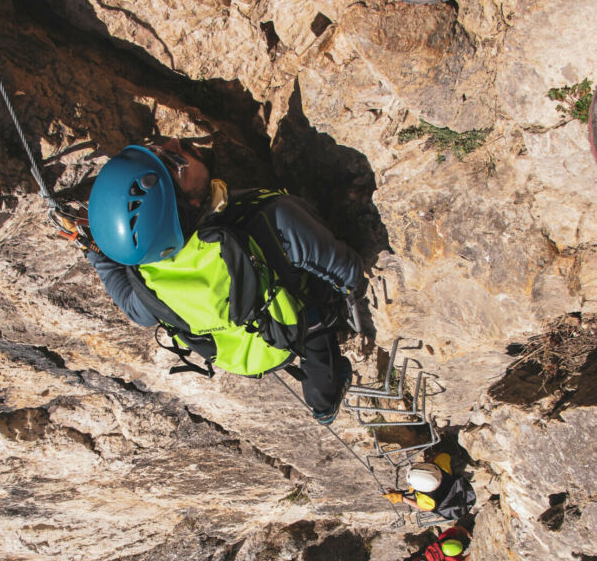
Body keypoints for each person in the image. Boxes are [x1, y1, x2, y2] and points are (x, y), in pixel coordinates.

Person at [82, 138, 364, 424]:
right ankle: (324, 404)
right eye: (173, 161)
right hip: (292, 326)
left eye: (158, 147)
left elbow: (135, 311)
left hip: (237, 352)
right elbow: (349, 275)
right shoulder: (276, 219)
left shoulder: (150, 280)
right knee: (316, 322)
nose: (176, 142)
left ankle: (324, 409)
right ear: (187, 204)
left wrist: (93, 252)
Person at [382, 451, 476, 520]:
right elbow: (443, 454)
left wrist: (402, 498)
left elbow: (422, 507)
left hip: (455, 500)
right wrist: (402, 498)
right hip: (460, 493)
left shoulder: (425, 498)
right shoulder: (442, 467)